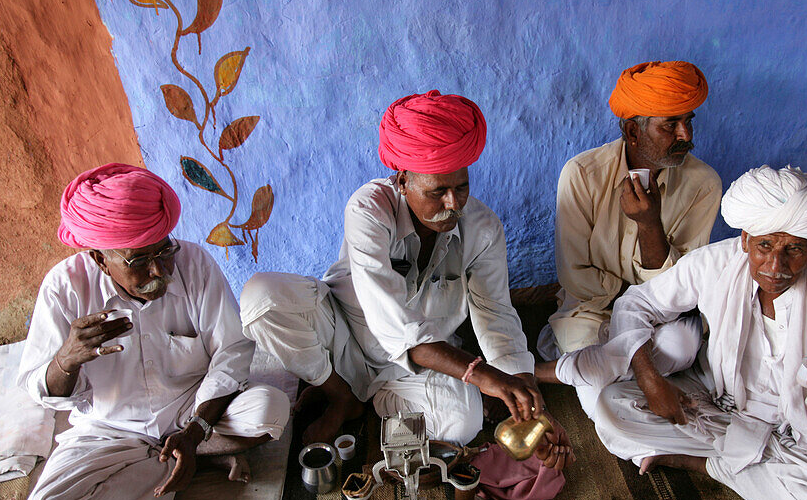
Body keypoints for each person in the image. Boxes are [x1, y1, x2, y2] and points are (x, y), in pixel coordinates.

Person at [539, 166, 807, 500]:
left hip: (800, 433)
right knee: (611, 408)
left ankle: (703, 464)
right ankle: (766, 473)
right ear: (744, 240)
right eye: (765, 246)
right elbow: (638, 303)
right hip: (716, 403)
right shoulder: (715, 263)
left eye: (794, 249)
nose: (776, 267)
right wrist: (651, 380)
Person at [12, 163, 290, 500]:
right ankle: (188, 468)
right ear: (99, 257)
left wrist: (197, 430)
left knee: (271, 410)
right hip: (107, 428)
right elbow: (39, 388)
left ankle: (185, 457)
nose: (159, 269)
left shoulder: (195, 263)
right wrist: (66, 359)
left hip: (194, 411)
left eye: (163, 250)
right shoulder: (64, 289)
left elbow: (234, 351)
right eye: (138, 260)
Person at [241, 91, 572, 468]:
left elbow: (496, 314)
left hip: (417, 363)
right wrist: (482, 376)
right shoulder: (368, 209)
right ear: (401, 180)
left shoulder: (483, 229)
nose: (452, 204)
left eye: (461, 187)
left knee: (462, 422)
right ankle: (338, 394)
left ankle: (374, 395)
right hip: (344, 334)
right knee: (261, 298)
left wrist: (524, 394)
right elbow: (391, 324)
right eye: (437, 192)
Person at [540, 61, 721, 358]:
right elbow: (573, 274)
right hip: (593, 309)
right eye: (671, 125)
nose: (686, 135)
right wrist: (632, 302)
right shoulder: (583, 174)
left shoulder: (704, 184)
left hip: (662, 316)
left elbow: (684, 285)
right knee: (589, 350)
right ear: (633, 131)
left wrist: (650, 225)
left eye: (689, 121)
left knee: (680, 347)